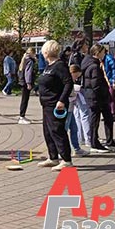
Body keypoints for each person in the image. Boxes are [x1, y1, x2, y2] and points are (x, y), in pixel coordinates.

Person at [36, 40, 74, 171]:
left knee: (57, 131)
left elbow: (68, 83)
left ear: (47, 52)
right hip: (46, 104)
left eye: (43, 51)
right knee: (48, 131)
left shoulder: (60, 65)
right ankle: (53, 157)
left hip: (56, 104)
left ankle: (66, 160)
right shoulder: (49, 66)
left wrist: (62, 100)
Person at [82, 45, 115, 152]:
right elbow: (95, 84)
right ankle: (94, 143)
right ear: (97, 53)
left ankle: (110, 141)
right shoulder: (94, 66)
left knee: (108, 117)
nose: (104, 54)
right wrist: (102, 94)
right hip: (96, 97)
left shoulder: (96, 63)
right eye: (103, 52)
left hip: (99, 96)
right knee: (95, 120)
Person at [69, 64, 92, 151]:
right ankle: (87, 139)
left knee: (76, 119)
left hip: (72, 103)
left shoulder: (69, 79)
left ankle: (79, 140)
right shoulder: (68, 81)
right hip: (71, 102)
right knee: (84, 115)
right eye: (76, 76)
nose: (76, 78)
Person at [102, 47, 115, 121]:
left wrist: (114, 80)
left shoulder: (109, 58)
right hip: (108, 80)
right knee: (108, 98)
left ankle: (113, 115)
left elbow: (114, 69)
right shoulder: (103, 59)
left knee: (111, 98)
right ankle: (109, 114)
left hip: (114, 80)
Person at [17, 48, 36, 125]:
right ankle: (22, 116)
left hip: (22, 81)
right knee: (25, 100)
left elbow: (20, 71)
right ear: (32, 53)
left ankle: (22, 116)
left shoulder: (24, 59)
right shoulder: (30, 61)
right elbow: (28, 72)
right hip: (26, 82)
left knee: (24, 99)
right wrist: (28, 83)